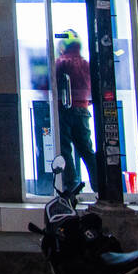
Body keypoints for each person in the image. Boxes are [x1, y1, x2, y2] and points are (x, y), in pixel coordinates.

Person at [54, 30, 97, 191]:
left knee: (64, 148)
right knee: (86, 149)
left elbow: (51, 86)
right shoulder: (86, 64)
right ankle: (100, 184)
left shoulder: (61, 63)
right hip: (83, 110)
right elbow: (92, 90)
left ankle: (70, 185)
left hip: (64, 110)